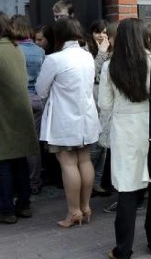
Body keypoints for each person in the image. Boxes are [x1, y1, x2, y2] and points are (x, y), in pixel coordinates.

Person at [98, 19, 151, 259]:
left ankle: (123, 249)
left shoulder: (110, 67)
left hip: (125, 132)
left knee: (127, 189)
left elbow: (105, 105)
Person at [35, 17, 100, 227]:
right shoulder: (88, 56)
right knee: (84, 160)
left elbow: (41, 89)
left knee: (68, 164)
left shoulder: (55, 59)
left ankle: (74, 212)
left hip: (63, 119)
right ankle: (86, 207)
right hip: (86, 116)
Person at [0, 13, 40, 224]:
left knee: (4, 162)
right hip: (19, 112)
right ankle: (24, 204)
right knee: (20, 161)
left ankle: (6, 209)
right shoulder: (15, 48)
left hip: (4, 113)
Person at [9, 15, 45, 196]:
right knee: (33, 145)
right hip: (37, 99)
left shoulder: (14, 50)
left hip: (18, 100)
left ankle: (16, 183)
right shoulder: (39, 51)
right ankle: (34, 182)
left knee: (14, 144)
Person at [88, 19, 112, 197]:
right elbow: (92, 74)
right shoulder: (86, 51)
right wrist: (102, 53)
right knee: (95, 146)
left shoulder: (112, 50)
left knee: (104, 146)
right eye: (98, 31)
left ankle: (98, 182)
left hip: (107, 101)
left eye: (104, 32)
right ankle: (89, 183)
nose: (102, 35)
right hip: (93, 99)